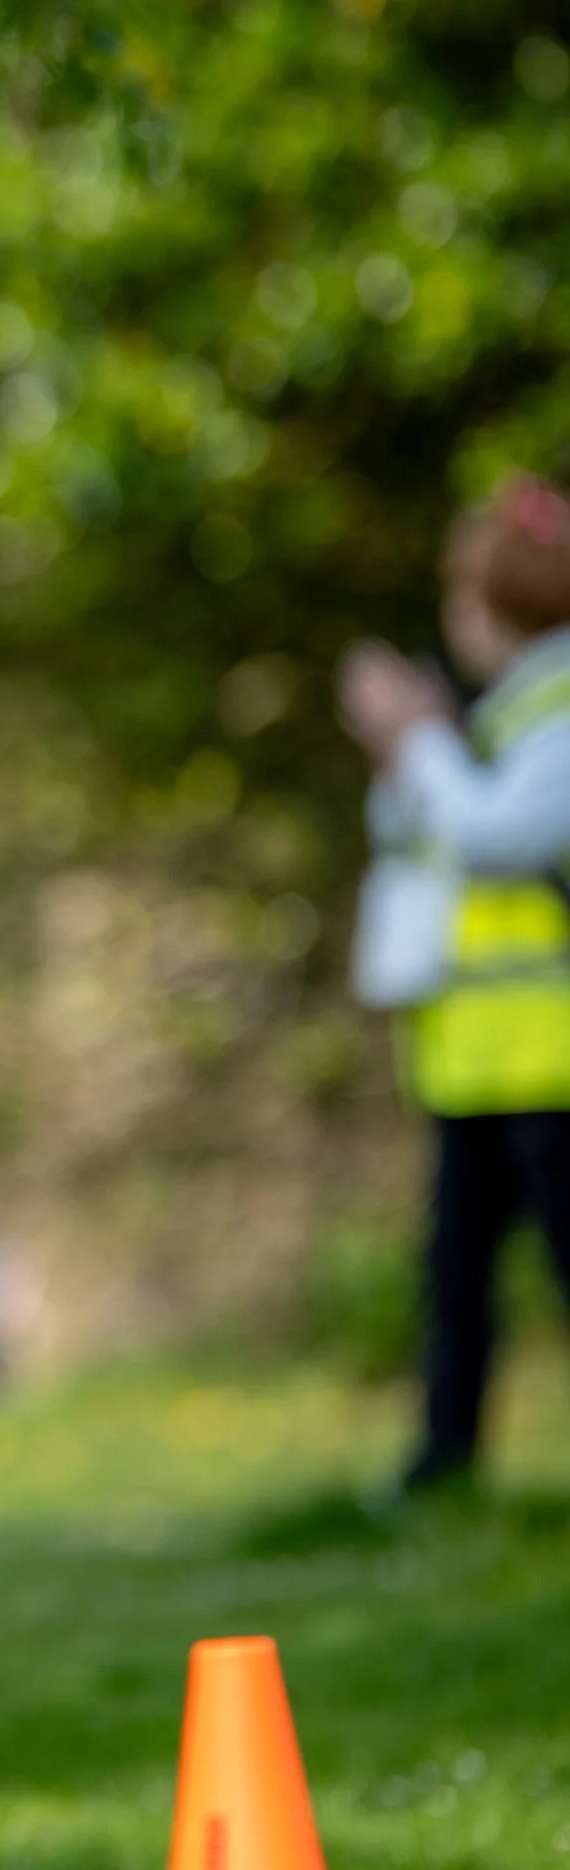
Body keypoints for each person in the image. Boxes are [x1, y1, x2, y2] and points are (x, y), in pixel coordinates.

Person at [339, 472, 570, 1490]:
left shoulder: (559, 710)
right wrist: (414, 747)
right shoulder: (506, 716)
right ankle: (441, 1463)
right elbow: (421, 839)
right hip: (478, 1058)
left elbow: (499, 837)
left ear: (491, 606)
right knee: (453, 1276)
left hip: (550, 1058)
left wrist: (419, 738)